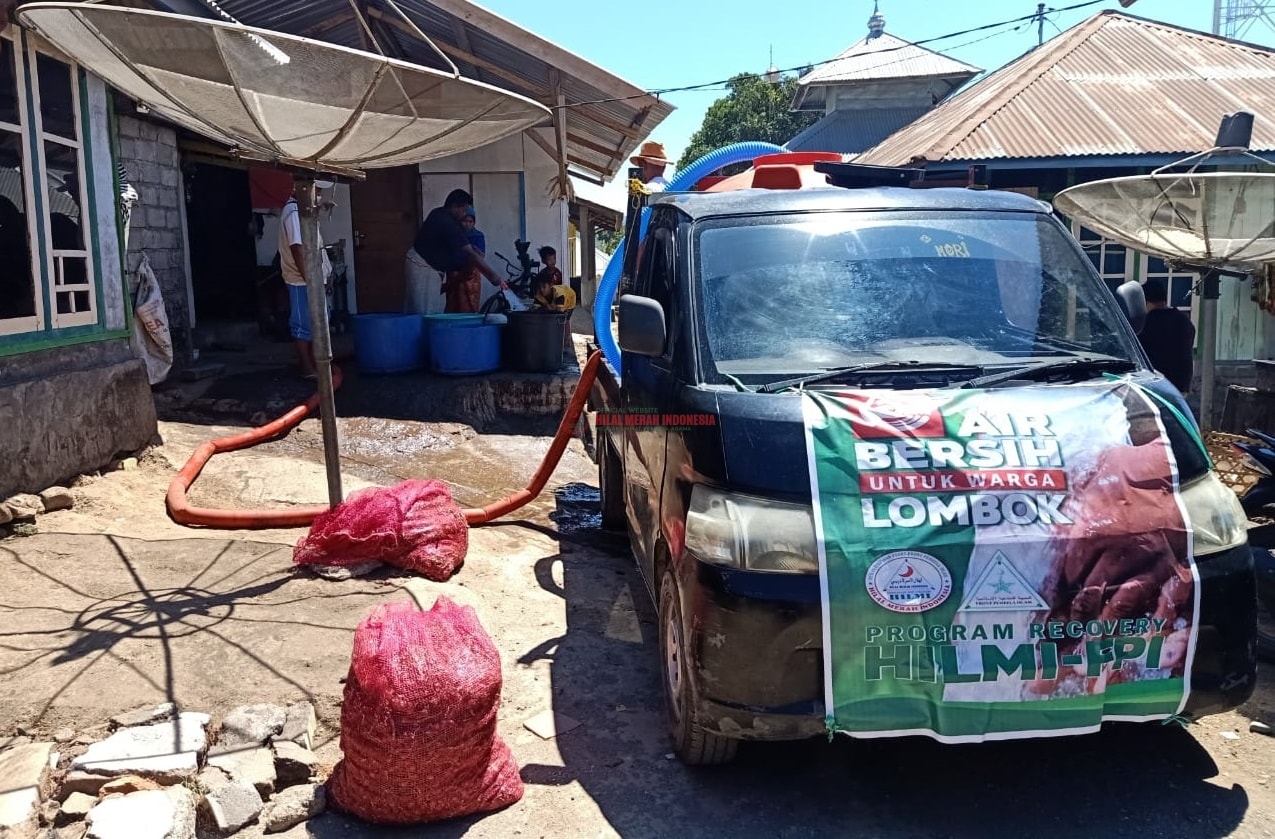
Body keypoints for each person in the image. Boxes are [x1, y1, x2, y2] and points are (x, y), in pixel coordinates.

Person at [413, 189, 506, 314]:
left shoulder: (441, 215)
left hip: (434, 268)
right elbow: (469, 253)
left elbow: (469, 249)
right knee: (424, 311)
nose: (464, 214)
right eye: (463, 210)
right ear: (455, 206)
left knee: (432, 309)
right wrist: (495, 278)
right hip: (422, 266)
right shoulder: (446, 222)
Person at [278, 180, 334, 379]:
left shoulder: (300, 210)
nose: (318, 194)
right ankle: (307, 368)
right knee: (303, 325)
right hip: (301, 280)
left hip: (310, 277)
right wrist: (309, 279)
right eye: (316, 191)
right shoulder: (293, 213)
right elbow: (296, 248)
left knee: (319, 319)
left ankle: (315, 364)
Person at [1137, 278, 1195, 394]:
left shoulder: (1148, 322)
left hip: (1157, 384)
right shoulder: (1183, 319)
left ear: (1145, 301)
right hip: (1181, 385)